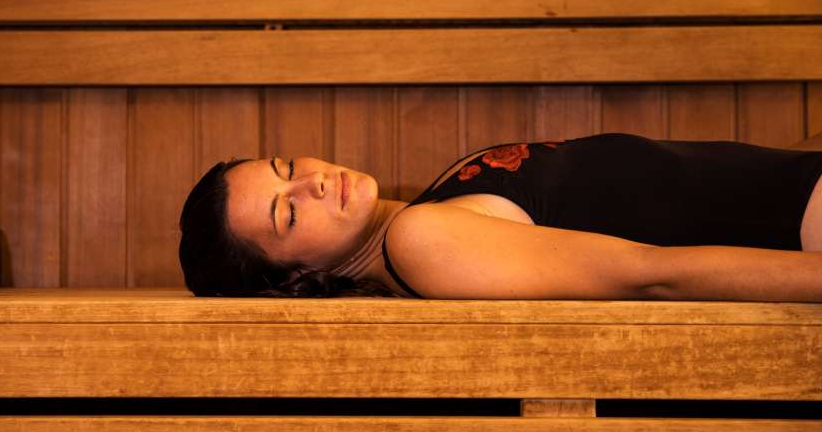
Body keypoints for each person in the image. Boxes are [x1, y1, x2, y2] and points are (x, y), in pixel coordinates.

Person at [179, 132, 822, 301]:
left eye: (289, 167)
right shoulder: (421, 240)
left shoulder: (427, 214)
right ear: (294, 278)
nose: (314, 182)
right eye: (286, 215)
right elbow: (648, 273)